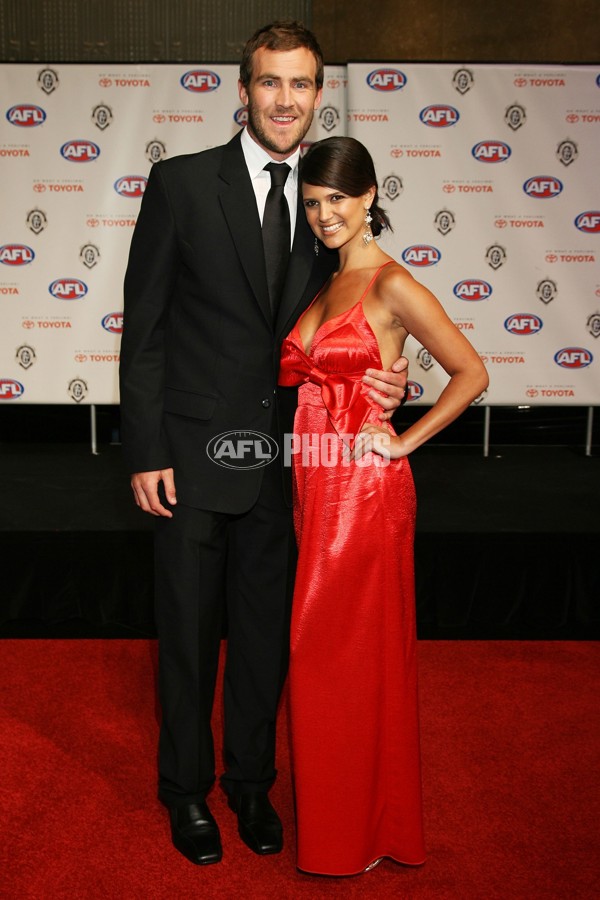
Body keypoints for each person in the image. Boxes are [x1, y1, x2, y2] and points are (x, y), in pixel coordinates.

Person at [119, 22, 409, 867]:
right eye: (270, 83)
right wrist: (143, 450)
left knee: (262, 637)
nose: (286, 100)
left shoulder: (330, 201)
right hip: (189, 456)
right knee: (184, 635)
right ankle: (186, 791)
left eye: (301, 85)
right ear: (241, 91)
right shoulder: (180, 184)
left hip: (295, 467)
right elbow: (147, 329)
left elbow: (370, 319)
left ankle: (250, 783)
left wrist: (395, 381)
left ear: (320, 95)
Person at [279, 136, 489, 876]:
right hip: (316, 490)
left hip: (364, 498)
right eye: (312, 202)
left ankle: (357, 833)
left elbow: (471, 372)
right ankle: (360, 824)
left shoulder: (393, 284)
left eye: (337, 198)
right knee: (336, 662)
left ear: (370, 196)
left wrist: (404, 442)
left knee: (331, 657)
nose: (325, 214)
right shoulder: (321, 281)